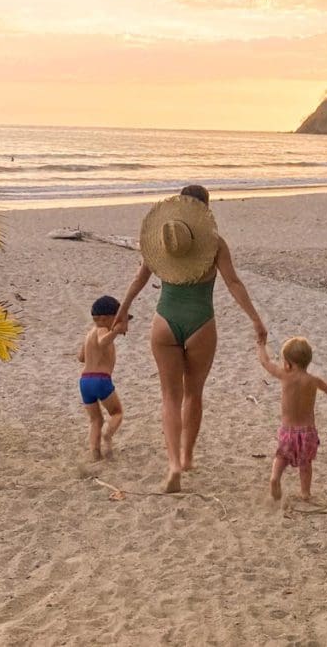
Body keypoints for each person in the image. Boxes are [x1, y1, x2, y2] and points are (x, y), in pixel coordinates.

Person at [116, 184, 266, 493]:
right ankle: (186, 457)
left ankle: (172, 464)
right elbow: (233, 283)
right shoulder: (215, 244)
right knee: (193, 394)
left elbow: (140, 278)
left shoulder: (163, 241)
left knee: (169, 397)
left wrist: (123, 309)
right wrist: (255, 319)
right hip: (201, 324)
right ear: (204, 211)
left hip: (164, 324)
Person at [257, 336, 327, 501]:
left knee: (281, 457)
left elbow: (266, 363)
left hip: (288, 431)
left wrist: (261, 345)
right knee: (306, 464)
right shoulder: (314, 380)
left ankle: (275, 478)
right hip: (307, 432)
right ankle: (305, 492)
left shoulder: (285, 376)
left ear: (287, 363)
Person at [78, 295, 127, 461]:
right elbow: (102, 342)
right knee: (117, 412)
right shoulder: (102, 329)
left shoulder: (88, 334)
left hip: (85, 381)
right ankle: (107, 436)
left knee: (95, 420)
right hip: (101, 379)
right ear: (107, 318)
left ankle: (94, 453)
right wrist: (115, 331)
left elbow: (80, 357)